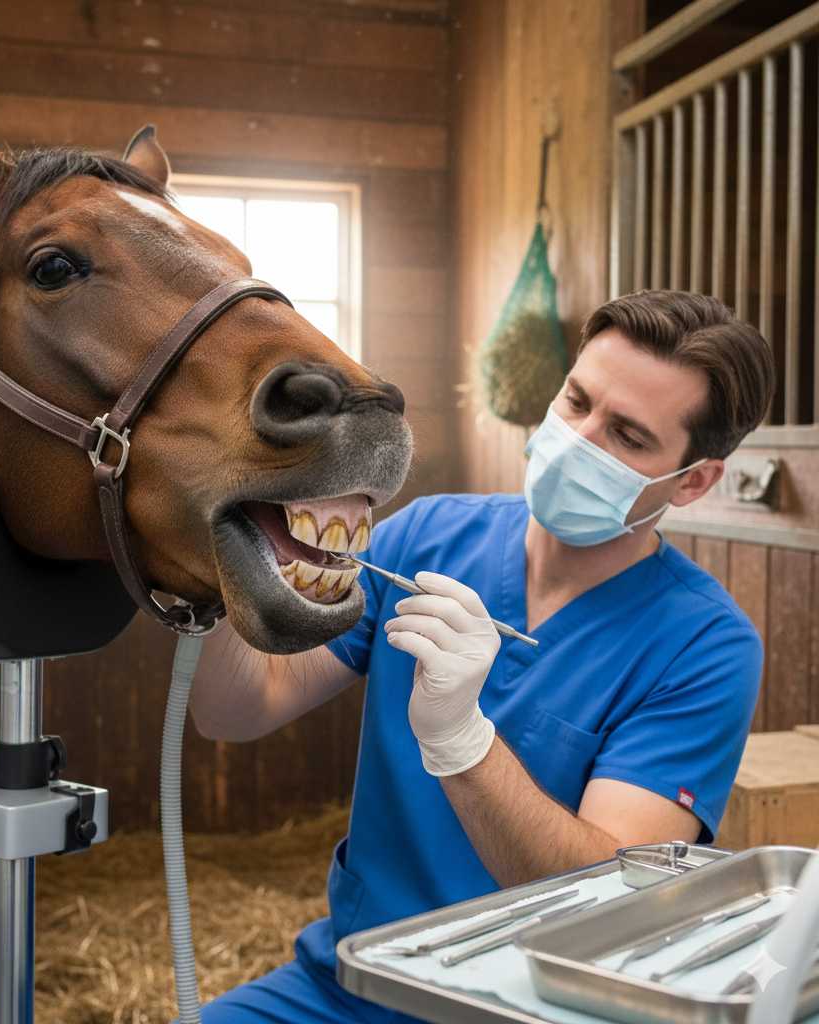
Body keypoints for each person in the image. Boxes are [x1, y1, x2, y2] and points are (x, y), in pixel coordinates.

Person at [190, 291, 776, 1023]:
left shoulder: (704, 646)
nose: (578, 438)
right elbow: (231, 715)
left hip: (532, 1008)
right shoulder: (432, 535)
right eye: (577, 401)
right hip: (354, 980)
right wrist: (220, 577)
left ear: (691, 481)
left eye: (626, 435)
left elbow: (614, 898)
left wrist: (462, 742)